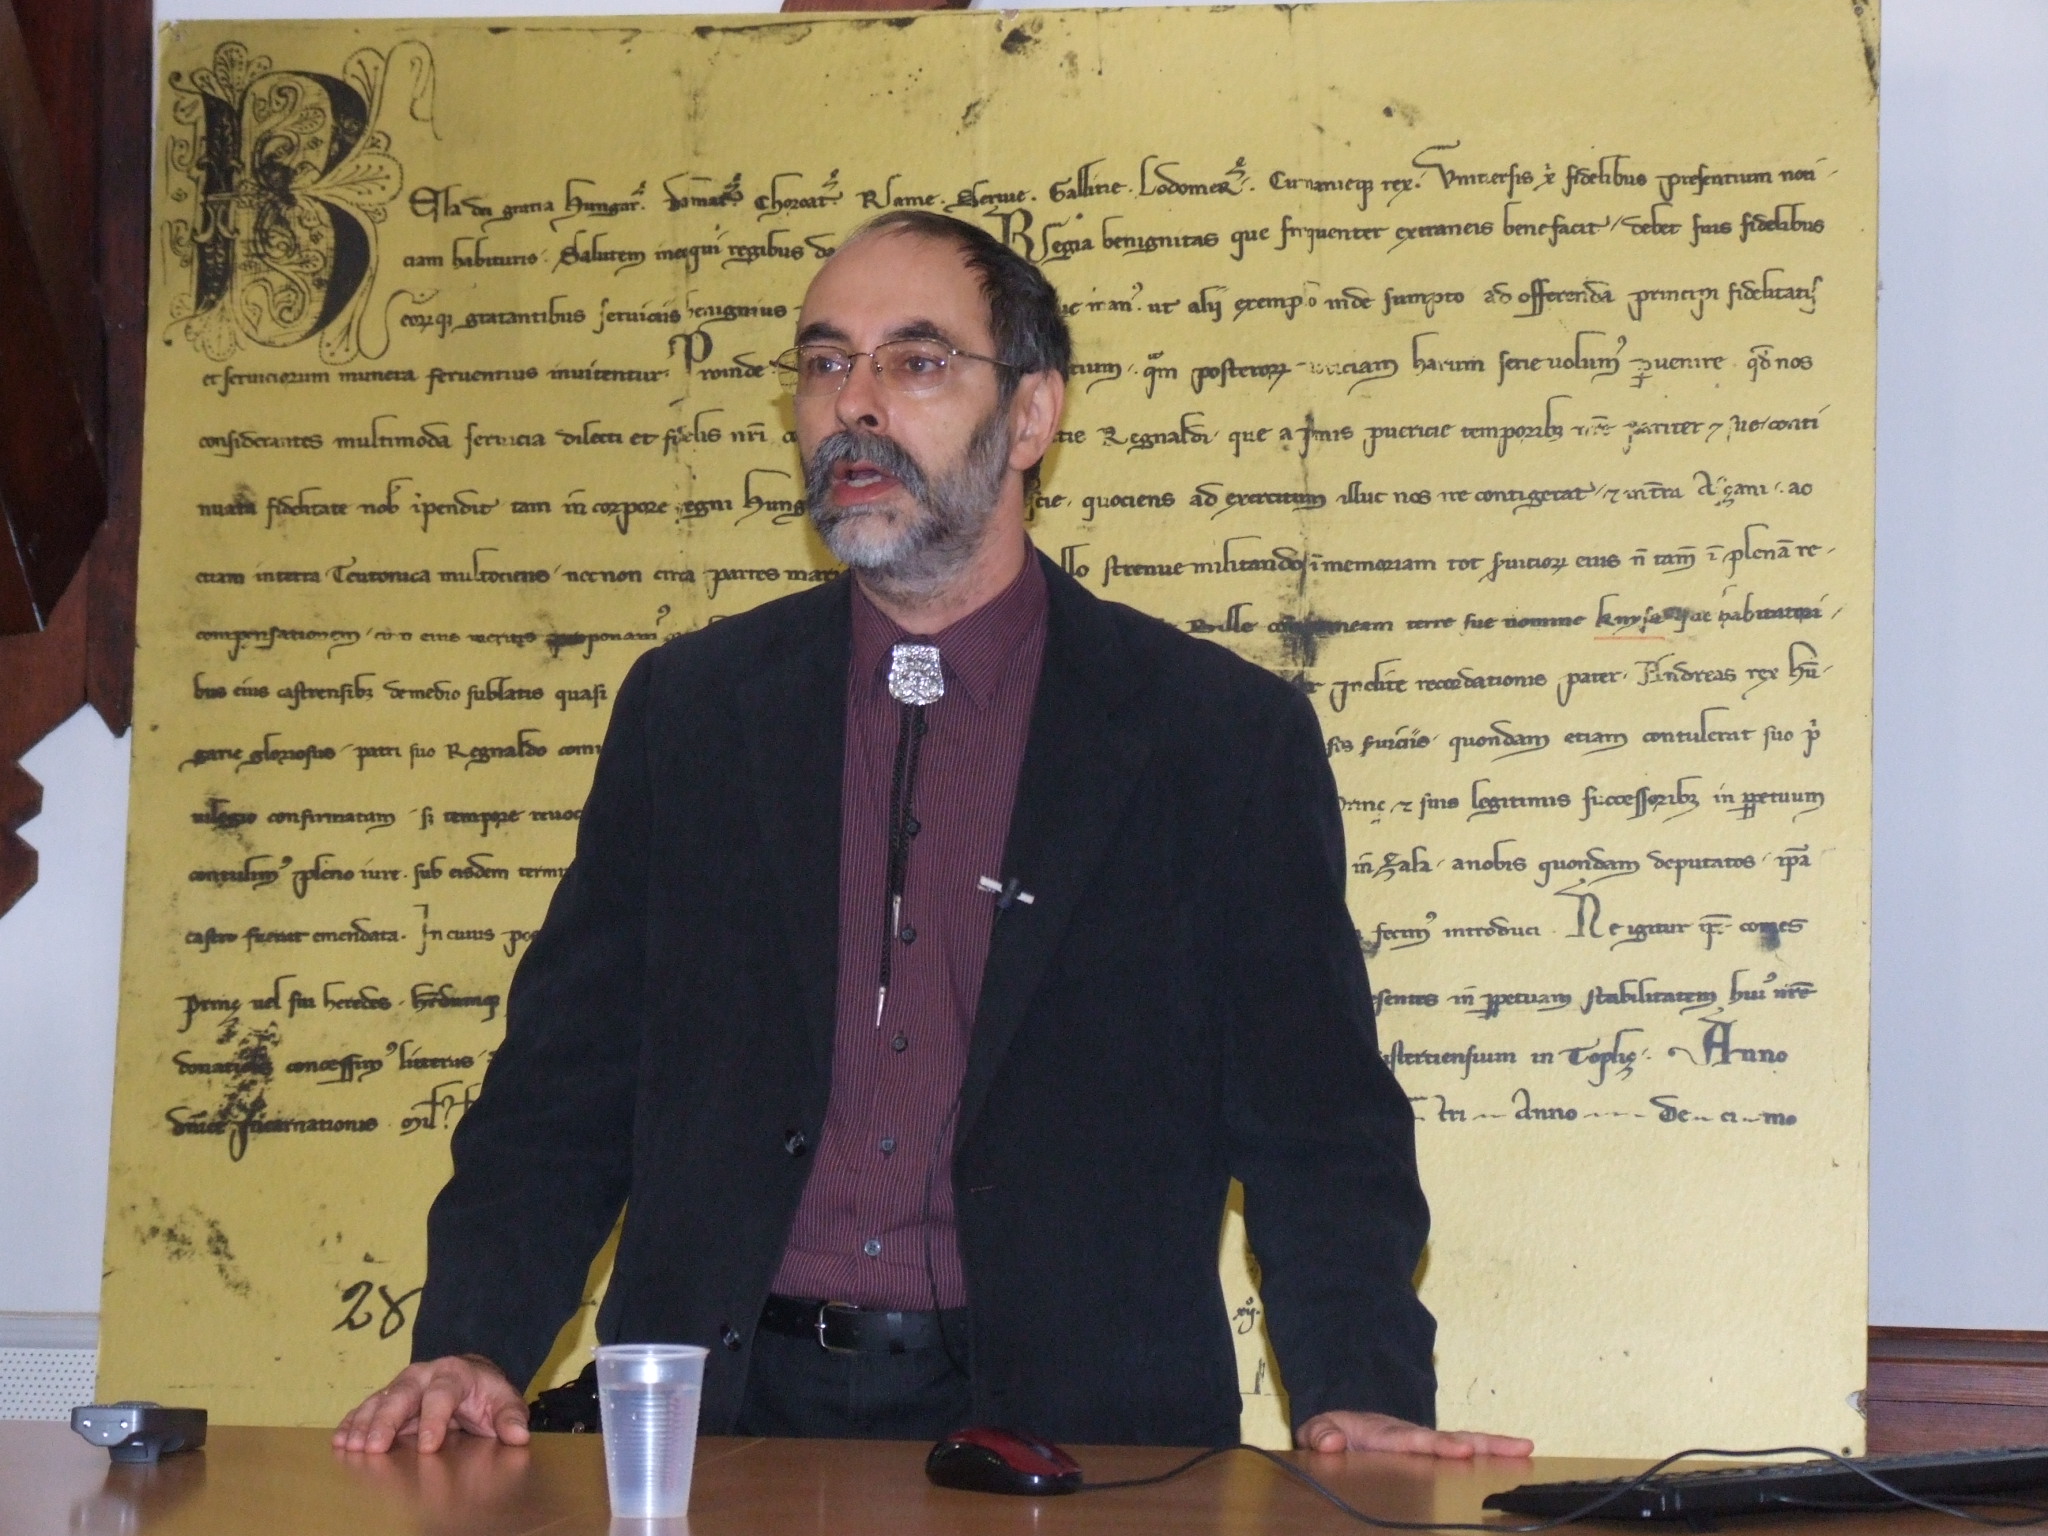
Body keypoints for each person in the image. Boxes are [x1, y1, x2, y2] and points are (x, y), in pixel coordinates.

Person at [334, 211, 1531, 1461]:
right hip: (728, 1427)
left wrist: (1361, 1386)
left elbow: (1318, 1121)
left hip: (1077, 1439)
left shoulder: (1213, 736)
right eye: (823, 363)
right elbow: (562, 1084)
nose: (852, 405)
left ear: (1030, 415)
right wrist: (472, 1342)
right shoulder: (691, 712)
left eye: (914, 363)